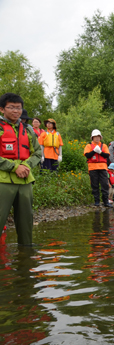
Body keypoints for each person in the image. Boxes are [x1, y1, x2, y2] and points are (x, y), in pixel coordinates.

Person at [0, 93, 42, 245]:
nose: (16, 111)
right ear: (2, 109)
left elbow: (38, 152)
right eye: (11, 107)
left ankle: (26, 257)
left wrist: (26, 165)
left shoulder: (28, 130)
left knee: (25, 221)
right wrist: (14, 167)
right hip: (2, 180)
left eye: (18, 108)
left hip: (24, 180)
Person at [84, 129, 112, 207]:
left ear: (100, 137)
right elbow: (87, 155)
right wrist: (94, 151)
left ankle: (106, 201)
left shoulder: (104, 146)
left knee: (105, 184)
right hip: (92, 167)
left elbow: (107, 155)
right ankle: (97, 201)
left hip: (103, 167)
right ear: (92, 138)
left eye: (98, 136)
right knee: (94, 184)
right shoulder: (88, 146)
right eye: (95, 137)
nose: (97, 138)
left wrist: (100, 152)